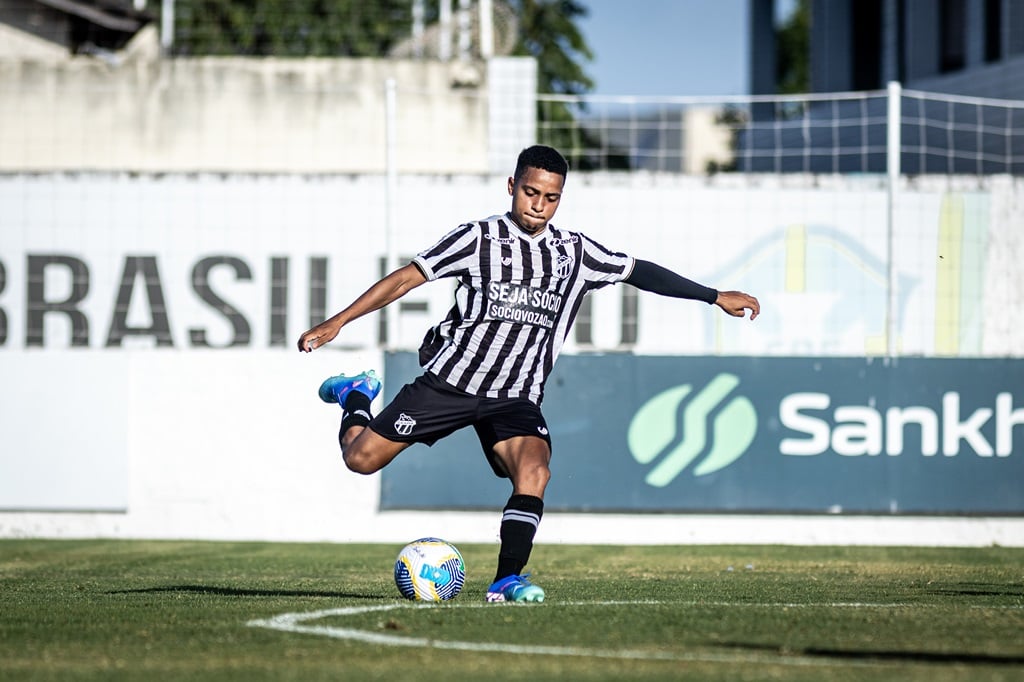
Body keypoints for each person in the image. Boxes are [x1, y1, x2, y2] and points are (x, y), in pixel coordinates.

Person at [298, 145, 759, 603]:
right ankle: (357, 394)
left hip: (515, 397)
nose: (538, 205)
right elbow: (404, 279)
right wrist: (338, 321)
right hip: (451, 384)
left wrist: (714, 296)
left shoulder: (574, 252)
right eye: (530, 192)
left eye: (551, 197)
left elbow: (639, 271)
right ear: (512, 187)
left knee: (533, 471)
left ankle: (506, 580)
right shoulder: (476, 239)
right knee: (360, 460)